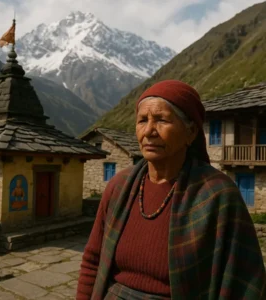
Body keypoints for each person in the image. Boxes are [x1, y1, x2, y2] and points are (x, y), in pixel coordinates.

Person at [77, 80, 266, 299]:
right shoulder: (119, 187)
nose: (149, 131)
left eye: (161, 120)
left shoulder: (217, 194)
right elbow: (92, 260)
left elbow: (245, 282)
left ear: (191, 132)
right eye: (142, 120)